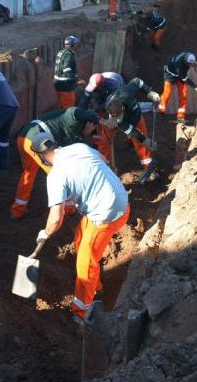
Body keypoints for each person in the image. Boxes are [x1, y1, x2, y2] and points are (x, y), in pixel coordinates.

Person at [31, 134, 130, 321]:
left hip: (106, 214)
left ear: (41, 156)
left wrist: (44, 234)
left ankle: (81, 313)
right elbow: (103, 160)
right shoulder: (78, 148)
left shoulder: (55, 176)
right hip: (121, 199)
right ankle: (97, 285)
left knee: (85, 263)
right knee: (79, 237)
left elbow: (55, 220)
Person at [12, 106, 103, 220]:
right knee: (60, 173)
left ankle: (18, 209)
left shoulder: (66, 124)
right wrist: (102, 123)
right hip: (38, 139)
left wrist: (84, 133)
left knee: (29, 173)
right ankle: (69, 208)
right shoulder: (73, 116)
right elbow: (75, 150)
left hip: (24, 137)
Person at [104, 77, 160, 181]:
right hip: (126, 122)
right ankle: (130, 142)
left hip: (136, 117)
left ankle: (148, 168)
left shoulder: (127, 93)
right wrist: (145, 140)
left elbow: (137, 81)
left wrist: (150, 92)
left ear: (123, 109)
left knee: (141, 145)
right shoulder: (112, 112)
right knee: (137, 139)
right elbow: (131, 130)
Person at [78, 71, 125, 162]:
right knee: (99, 112)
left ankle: (109, 137)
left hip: (116, 91)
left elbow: (110, 102)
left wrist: (98, 109)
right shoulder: (92, 84)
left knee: (111, 116)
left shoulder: (114, 85)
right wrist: (80, 113)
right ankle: (97, 140)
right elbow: (84, 100)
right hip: (104, 89)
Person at [157, 51, 197, 123]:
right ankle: (160, 112)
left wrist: (195, 64)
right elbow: (184, 79)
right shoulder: (178, 64)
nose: (191, 65)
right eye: (189, 64)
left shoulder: (190, 56)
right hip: (171, 74)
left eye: (192, 63)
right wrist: (196, 87)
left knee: (183, 94)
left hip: (181, 74)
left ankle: (180, 116)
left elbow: (193, 62)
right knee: (167, 93)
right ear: (185, 61)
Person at [53, 35, 83, 109]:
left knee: (61, 106)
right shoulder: (68, 55)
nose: (77, 46)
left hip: (58, 84)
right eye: (76, 44)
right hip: (66, 86)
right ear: (73, 45)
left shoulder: (61, 52)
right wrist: (76, 82)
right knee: (68, 109)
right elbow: (67, 69)